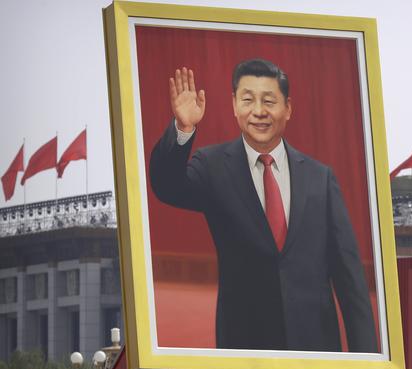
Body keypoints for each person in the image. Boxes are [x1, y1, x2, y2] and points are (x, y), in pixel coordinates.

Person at [149, 59, 377, 352]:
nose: (258, 111)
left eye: (269, 101)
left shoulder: (320, 179)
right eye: (247, 100)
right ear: (233, 105)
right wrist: (183, 128)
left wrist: (369, 363)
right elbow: (167, 187)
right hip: (245, 347)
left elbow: (350, 279)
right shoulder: (214, 167)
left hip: (317, 349)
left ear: (288, 108)